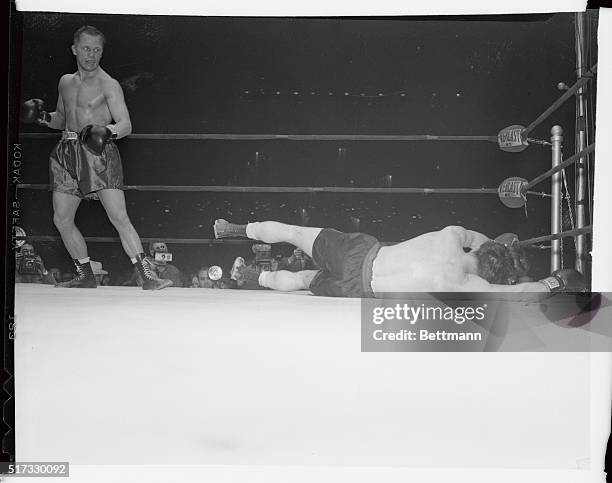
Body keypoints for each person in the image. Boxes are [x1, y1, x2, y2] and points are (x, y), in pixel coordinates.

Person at [20, 25, 171, 290]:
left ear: (102, 52)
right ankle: (86, 274)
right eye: (86, 49)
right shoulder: (65, 81)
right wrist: (43, 118)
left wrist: (107, 131)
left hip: (98, 152)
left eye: (97, 50)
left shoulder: (108, 84)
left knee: (118, 216)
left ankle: (148, 276)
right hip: (66, 152)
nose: (91, 55)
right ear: (74, 49)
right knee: (61, 219)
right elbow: (61, 119)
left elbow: (125, 124)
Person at [214, 219, 586, 297]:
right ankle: (251, 276)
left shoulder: (450, 235)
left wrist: (500, 245)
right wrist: (555, 283)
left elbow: (477, 237)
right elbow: (521, 295)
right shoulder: (462, 284)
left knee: (294, 234)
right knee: (300, 281)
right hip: (360, 286)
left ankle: (233, 229)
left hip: (360, 252)